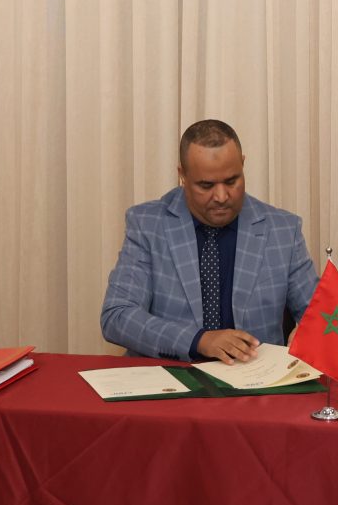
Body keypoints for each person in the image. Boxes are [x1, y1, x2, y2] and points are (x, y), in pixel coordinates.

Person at [101, 120, 318, 363]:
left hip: (255, 379)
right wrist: (198, 341)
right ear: (182, 175)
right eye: (206, 185)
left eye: (232, 181)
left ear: (243, 165)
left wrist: (311, 334)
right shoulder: (148, 225)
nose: (222, 196)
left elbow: (322, 316)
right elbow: (117, 316)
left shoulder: (283, 230)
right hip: (170, 376)